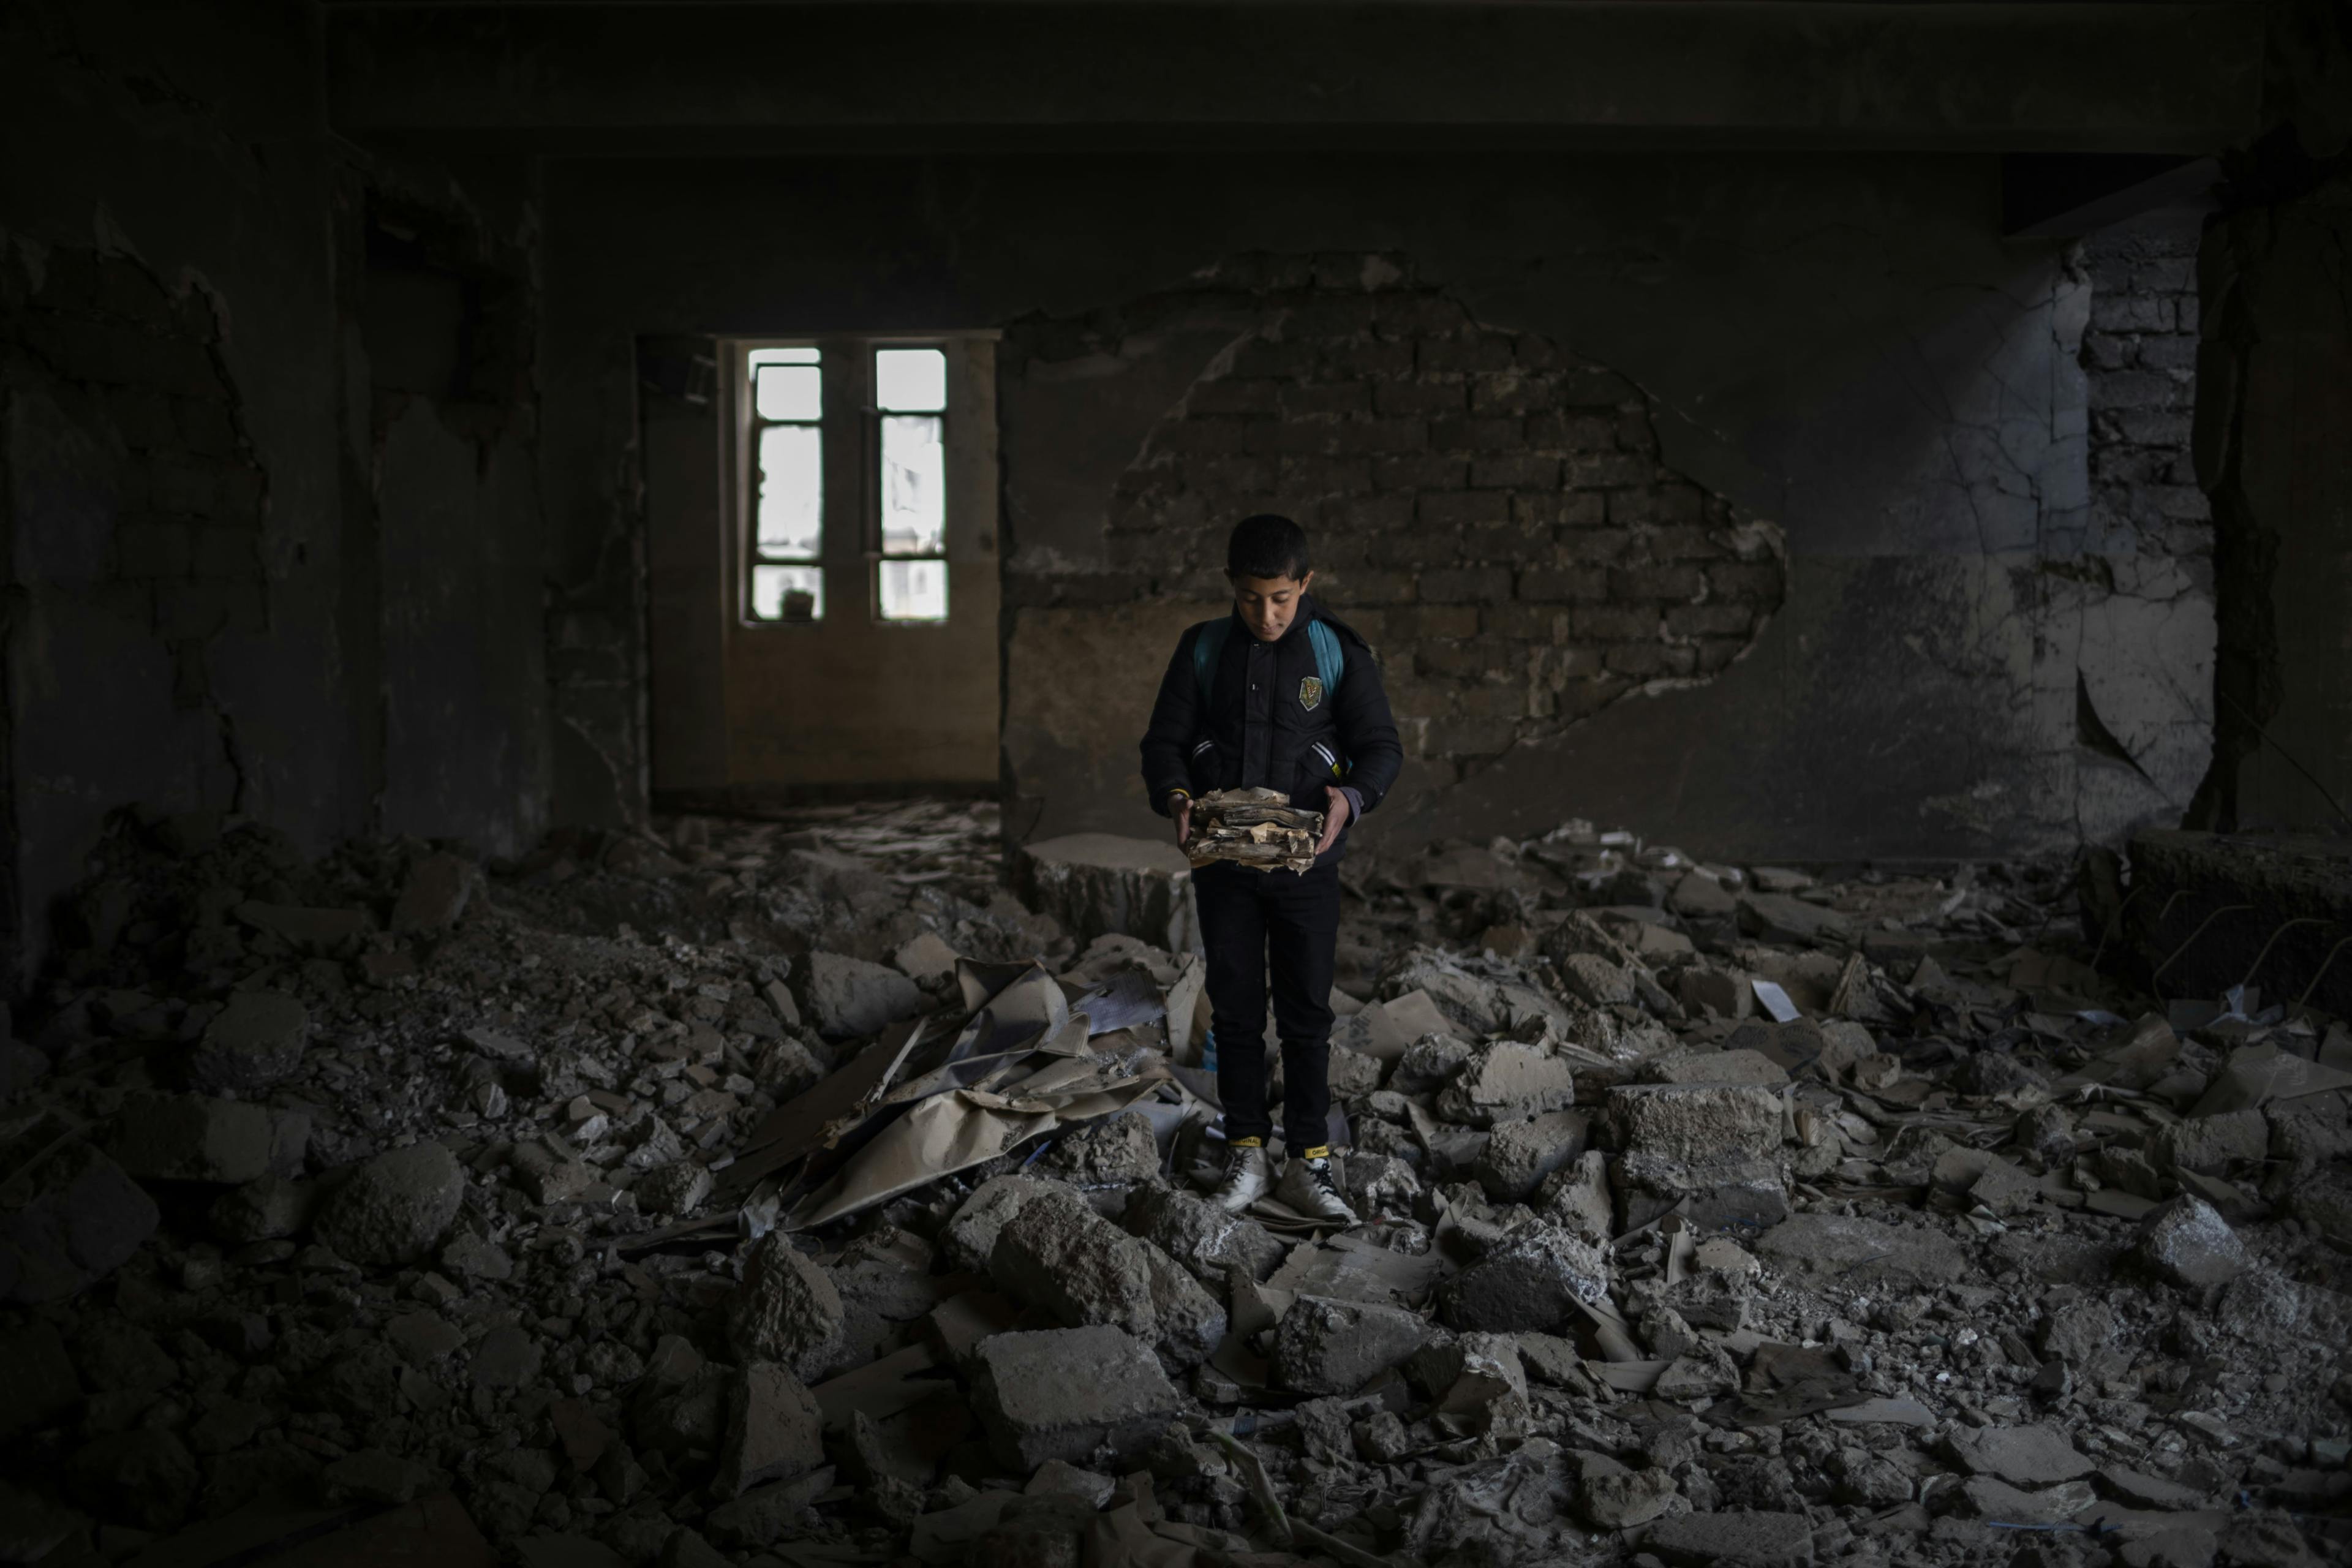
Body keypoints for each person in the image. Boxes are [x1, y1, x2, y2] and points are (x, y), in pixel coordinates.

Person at [1137, 514, 1404, 1223]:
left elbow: (1381, 747)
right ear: (1232, 586)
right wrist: (1177, 796)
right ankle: (1248, 1152)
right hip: (1225, 866)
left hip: (1307, 869)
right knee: (1236, 1012)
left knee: (1307, 1015)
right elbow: (1164, 741)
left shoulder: (1335, 650)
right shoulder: (1202, 649)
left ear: (1306, 584)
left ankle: (1308, 1163)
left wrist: (1349, 801)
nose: (1267, 614)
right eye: (1253, 598)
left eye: (1282, 598)